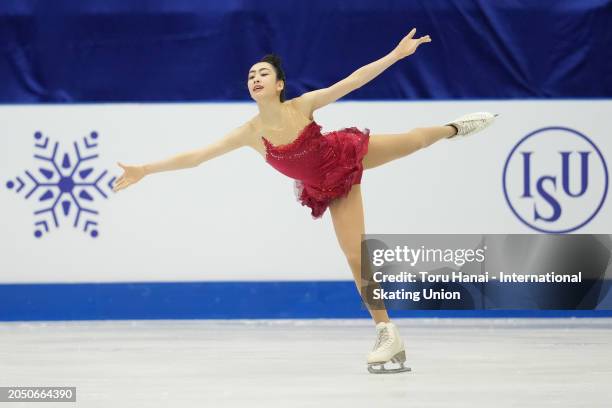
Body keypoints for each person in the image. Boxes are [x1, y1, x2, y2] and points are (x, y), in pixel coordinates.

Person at [112, 28, 498, 374]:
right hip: (327, 188)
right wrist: (145, 169)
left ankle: (454, 128)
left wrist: (395, 55)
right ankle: (387, 331)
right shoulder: (249, 132)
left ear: (279, 84)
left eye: (263, 73)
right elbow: (196, 157)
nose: (255, 78)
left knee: (413, 140)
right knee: (355, 256)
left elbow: (352, 81)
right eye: (250, 75)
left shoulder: (301, 106)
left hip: (343, 155)